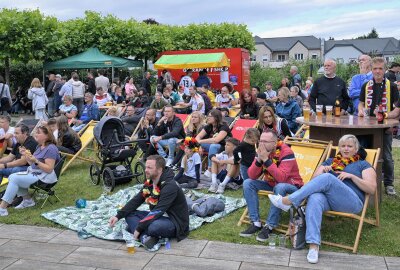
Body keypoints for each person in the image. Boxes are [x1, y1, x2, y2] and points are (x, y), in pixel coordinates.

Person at [269, 135, 376, 264]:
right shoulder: (330, 161)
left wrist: (352, 177)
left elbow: (371, 189)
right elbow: (312, 183)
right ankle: (314, 245)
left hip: (352, 202)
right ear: (339, 148)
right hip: (330, 200)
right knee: (314, 197)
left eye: (350, 146)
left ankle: (289, 201)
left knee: (328, 178)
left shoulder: (363, 164)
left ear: (356, 148)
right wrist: (322, 171)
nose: (346, 149)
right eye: (343, 146)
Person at [108, 155, 189, 248]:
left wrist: (139, 227)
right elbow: (137, 200)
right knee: (129, 214)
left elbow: (159, 210)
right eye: (146, 166)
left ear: (159, 169)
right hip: (157, 217)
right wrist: (118, 216)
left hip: (174, 221)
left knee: (153, 227)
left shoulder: (170, 185)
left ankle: (140, 232)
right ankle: (145, 237)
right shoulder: (150, 181)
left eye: (149, 167)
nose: (146, 170)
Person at [240, 130, 303, 242]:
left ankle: (269, 226)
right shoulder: (262, 151)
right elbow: (251, 175)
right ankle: (255, 222)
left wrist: (266, 160)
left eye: (265, 141)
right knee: (248, 183)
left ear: (275, 143)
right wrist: (259, 159)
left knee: (280, 187)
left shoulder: (287, 152)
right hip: (271, 183)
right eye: (260, 141)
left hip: (292, 186)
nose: (261, 144)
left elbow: (282, 178)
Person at [358, 57, 399, 196]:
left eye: (380, 68)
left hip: (384, 127)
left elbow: (398, 109)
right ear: (371, 69)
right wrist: (360, 110)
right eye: (375, 68)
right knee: (365, 152)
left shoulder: (392, 86)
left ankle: (389, 184)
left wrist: (385, 115)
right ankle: (366, 181)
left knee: (386, 156)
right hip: (367, 127)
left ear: (385, 69)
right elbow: (361, 103)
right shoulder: (366, 85)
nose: (377, 71)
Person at [0, 125, 60, 216]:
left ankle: (2, 208)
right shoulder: (39, 147)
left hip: (45, 177)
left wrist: (35, 160)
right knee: (15, 176)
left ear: (47, 135)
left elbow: (49, 169)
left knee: (14, 177)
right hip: (36, 173)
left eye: (38, 133)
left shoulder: (51, 148)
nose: (36, 134)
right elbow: (33, 164)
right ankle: (27, 201)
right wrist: (26, 156)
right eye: (36, 132)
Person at [196, 109, 232, 177]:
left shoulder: (224, 127)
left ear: (216, 118)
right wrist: (199, 145)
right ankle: (195, 168)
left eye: (210, 116)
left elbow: (216, 140)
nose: (208, 118)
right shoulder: (209, 126)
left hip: (224, 147)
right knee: (191, 144)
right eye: (208, 116)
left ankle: (210, 169)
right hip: (213, 146)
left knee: (213, 146)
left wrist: (200, 142)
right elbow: (197, 137)